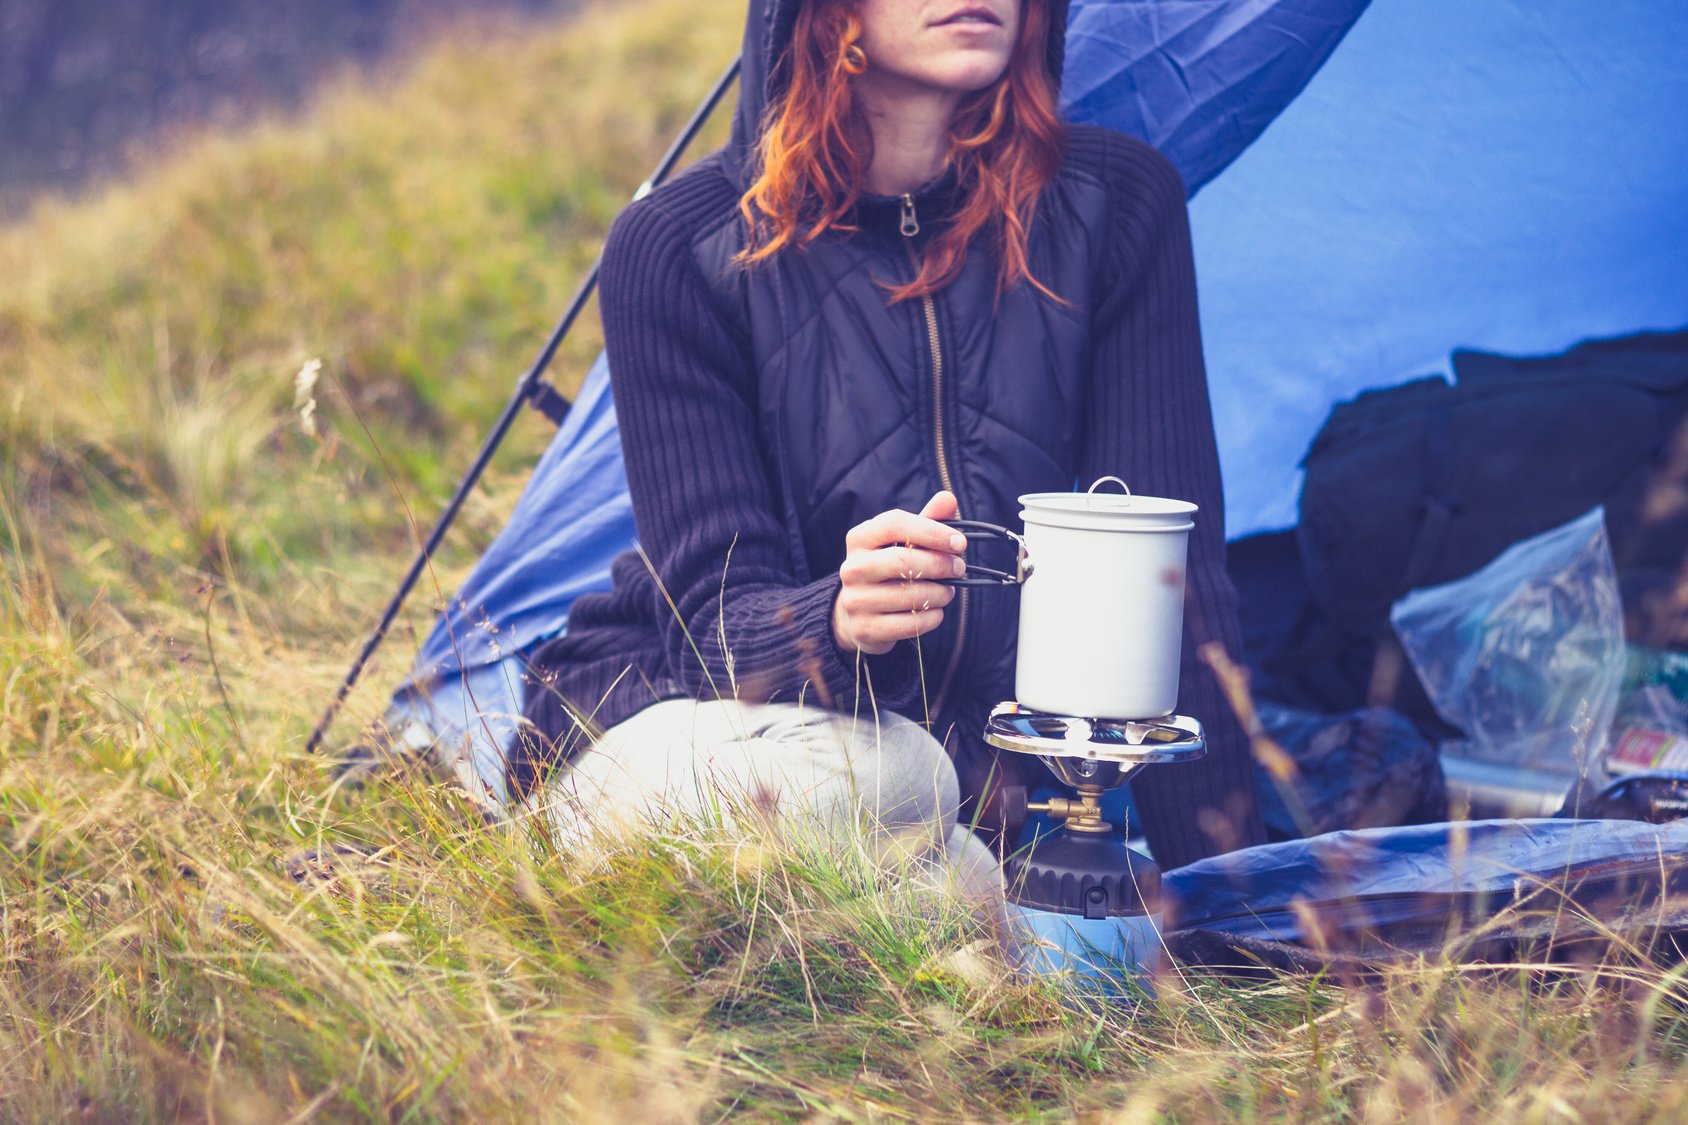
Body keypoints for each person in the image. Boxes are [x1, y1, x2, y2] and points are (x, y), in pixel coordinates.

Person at [515, 0, 1266, 877]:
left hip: (959, 811)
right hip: (695, 722)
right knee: (893, 777)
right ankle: (570, 843)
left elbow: (1173, 584)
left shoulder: (1114, 208)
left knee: (968, 881)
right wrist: (832, 619)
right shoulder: (679, 247)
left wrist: (1234, 905)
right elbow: (711, 625)